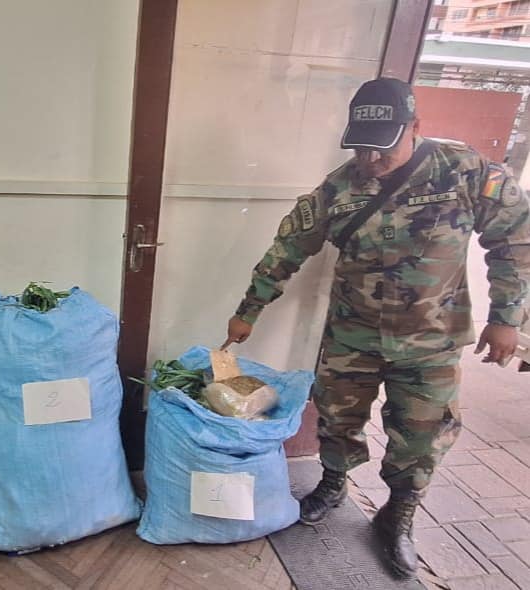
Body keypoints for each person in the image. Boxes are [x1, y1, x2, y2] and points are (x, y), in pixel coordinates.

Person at [223, 77, 530, 578]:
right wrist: (249, 310)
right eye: (361, 147)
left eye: (382, 146)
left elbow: (514, 241)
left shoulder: (464, 171)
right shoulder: (339, 188)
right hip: (353, 336)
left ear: (415, 126)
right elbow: (287, 250)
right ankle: (332, 483)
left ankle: (398, 514)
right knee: (337, 419)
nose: (370, 158)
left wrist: (506, 319)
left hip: (431, 342)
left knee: (422, 435)